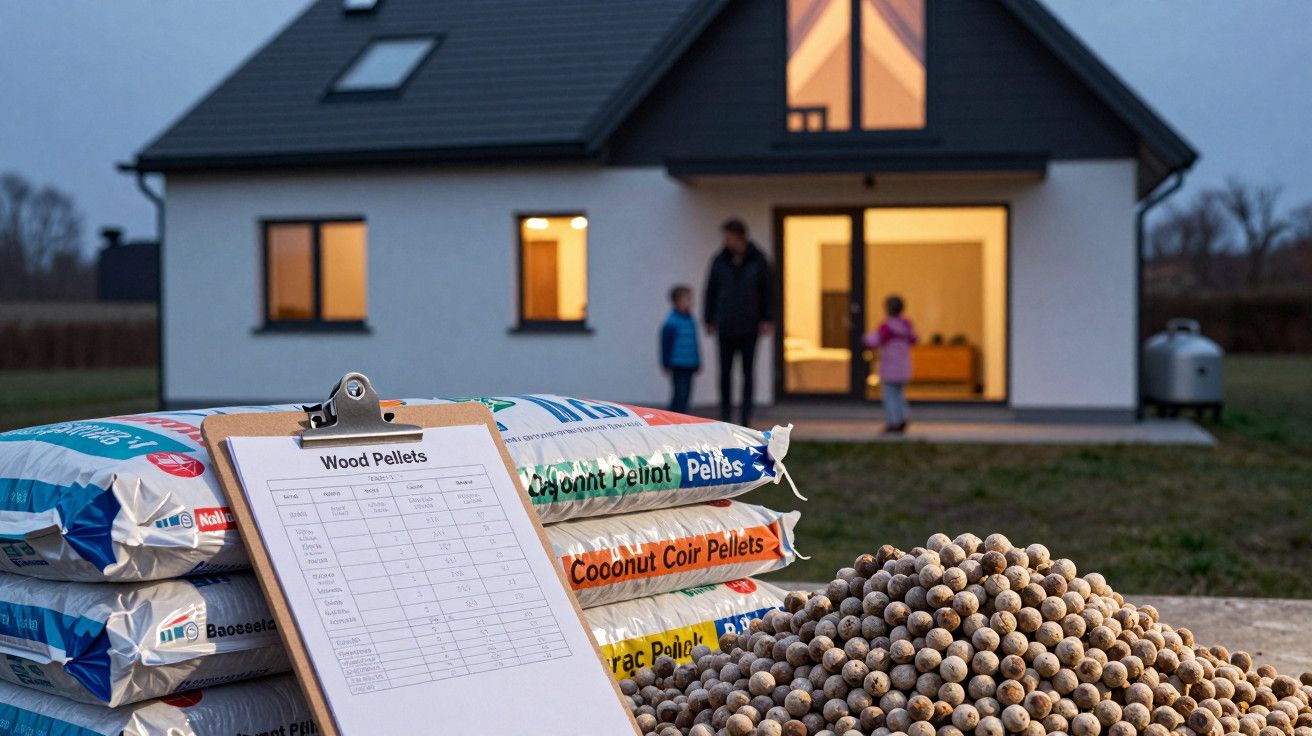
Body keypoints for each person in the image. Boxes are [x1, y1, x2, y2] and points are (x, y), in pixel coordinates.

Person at [703, 217, 774, 426]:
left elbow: (769, 291)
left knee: (747, 372)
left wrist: (767, 318)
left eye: (730, 238)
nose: (727, 242)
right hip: (725, 325)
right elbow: (711, 290)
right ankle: (725, 414)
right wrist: (709, 318)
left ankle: (746, 415)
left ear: (740, 237)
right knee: (725, 372)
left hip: (749, 326)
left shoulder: (759, 260)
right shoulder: (719, 260)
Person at [863, 294, 917, 434]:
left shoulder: (886, 327)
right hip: (903, 367)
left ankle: (893, 422)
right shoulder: (906, 325)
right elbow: (914, 340)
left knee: (889, 396)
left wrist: (865, 338)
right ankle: (903, 418)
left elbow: (875, 341)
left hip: (889, 367)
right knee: (900, 394)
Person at [660, 285, 701, 414]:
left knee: (687, 395)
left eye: (691, 298)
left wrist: (697, 361)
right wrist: (666, 363)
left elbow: (694, 342)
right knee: (679, 394)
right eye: (687, 299)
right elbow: (665, 345)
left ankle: (683, 416)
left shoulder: (690, 319)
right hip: (678, 364)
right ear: (677, 302)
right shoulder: (671, 322)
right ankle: (673, 417)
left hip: (690, 363)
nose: (691, 302)